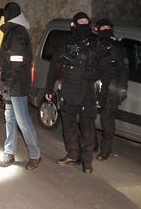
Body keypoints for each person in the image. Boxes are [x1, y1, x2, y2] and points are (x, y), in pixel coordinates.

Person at [45, 12, 110, 173]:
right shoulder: (66, 42)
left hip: (88, 92)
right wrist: (49, 88)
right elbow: (54, 66)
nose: (83, 23)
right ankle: (72, 154)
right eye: (80, 21)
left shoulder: (96, 43)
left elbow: (105, 72)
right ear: (74, 24)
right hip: (68, 89)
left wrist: (102, 96)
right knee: (69, 125)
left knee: (88, 127)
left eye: (86, 21)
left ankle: (87, 163)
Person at [0, 2, 41, 171]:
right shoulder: (10, 31)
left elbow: (16, 61)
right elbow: (5, 58)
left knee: (22, 120)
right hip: (9, 82)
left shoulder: (17, 32)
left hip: (16, 83)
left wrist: (8, 81)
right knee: (9, 118)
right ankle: (9, 153)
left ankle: (35, 155)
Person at [93, 18, 129, 160]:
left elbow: (124, 70)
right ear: (98, 29)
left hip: (111, 87)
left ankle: (105, 150)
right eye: (103, 28)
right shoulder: (94, 44)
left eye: (107, 27)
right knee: (89, 118)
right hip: (94, 84)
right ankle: (93, 144)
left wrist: (122, 90)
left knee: (106, 120)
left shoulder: (118, 46)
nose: (105, 30)